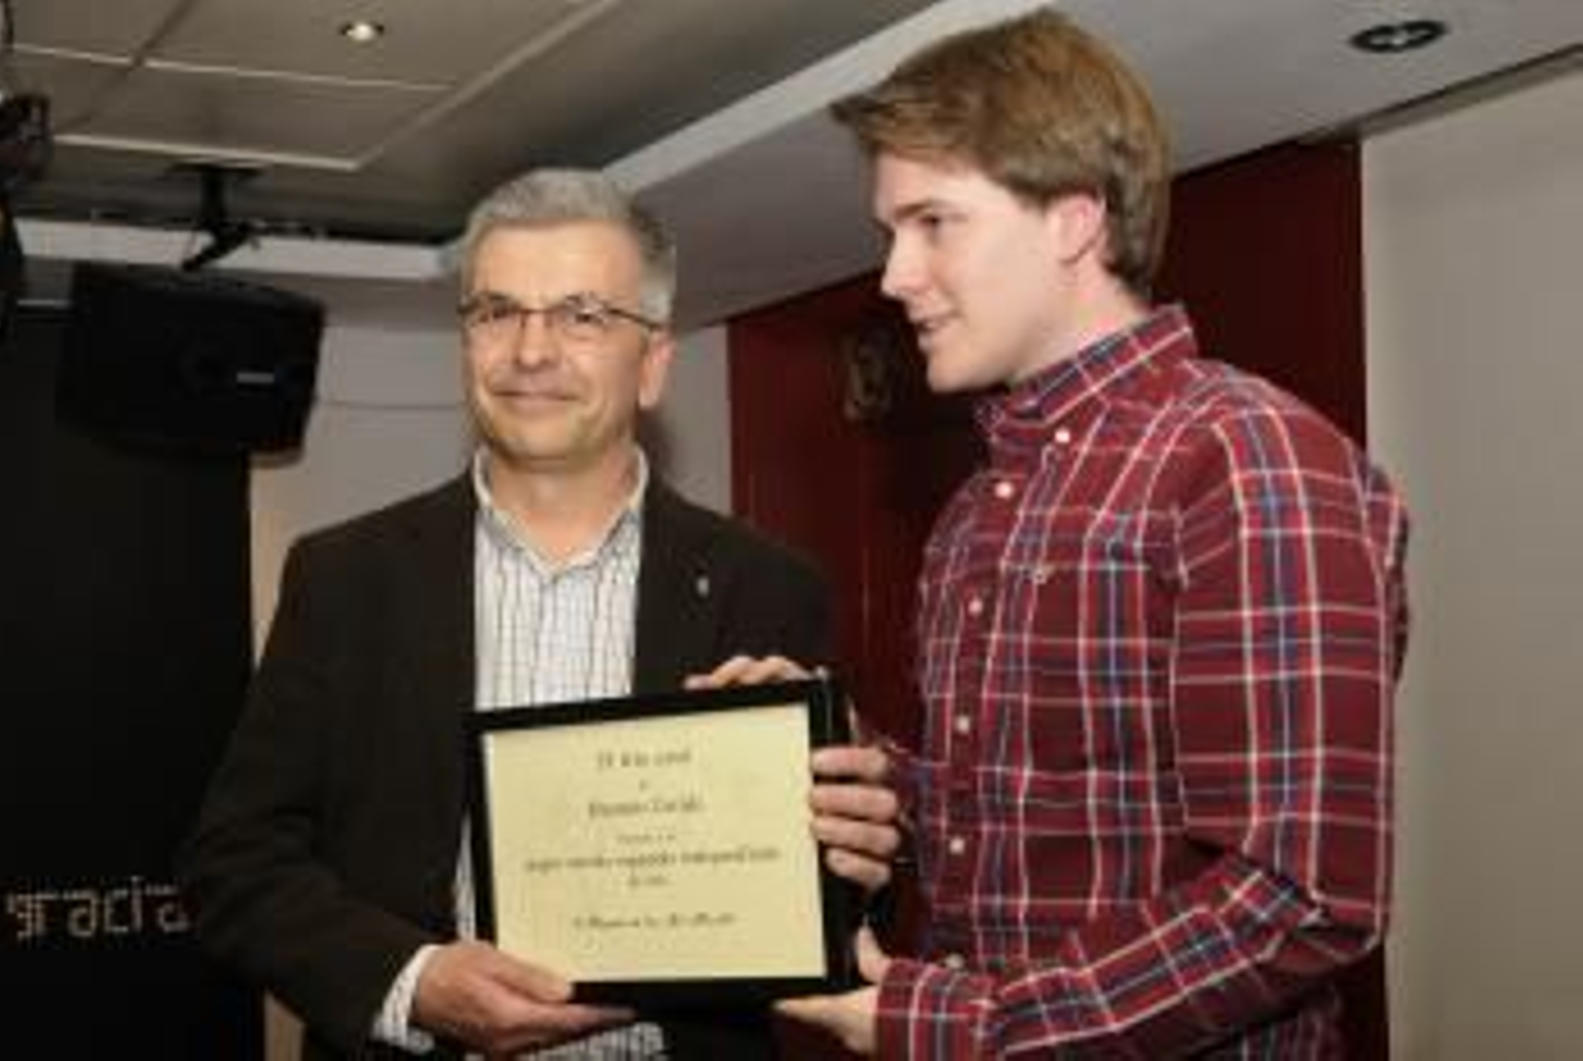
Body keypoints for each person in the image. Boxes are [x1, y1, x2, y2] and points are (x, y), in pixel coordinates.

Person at [778, 8, 1410, 1057]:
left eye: (933, 222)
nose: (893, 276)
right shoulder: (978, 507)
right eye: (891, 232)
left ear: (1072, 221)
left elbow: (1298, 897)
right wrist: (848, 757)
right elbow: (1004, 826)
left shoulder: (1246, 457)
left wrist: (964, 1024)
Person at [178, 168, 895, 1060]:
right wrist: (414, 980)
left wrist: (856, 838)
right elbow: (234, 864)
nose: (530, 350)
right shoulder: (345, 578)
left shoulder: (770, 587)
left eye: (583, 315)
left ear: (654, 364)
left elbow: (838, 898)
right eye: (496, 311)